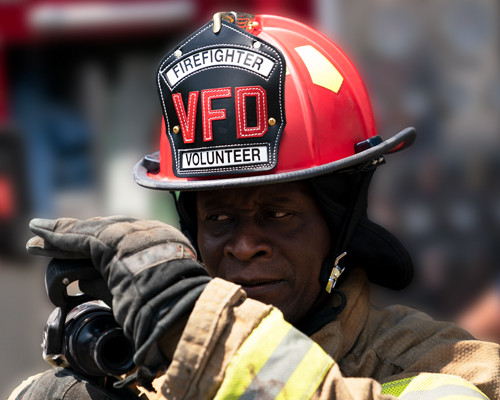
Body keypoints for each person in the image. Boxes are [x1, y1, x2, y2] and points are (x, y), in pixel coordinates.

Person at [9, 12, 500, 400]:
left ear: (339, 221)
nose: (244, 247)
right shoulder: (145, 370)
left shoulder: (443, 365)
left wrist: (190, 322)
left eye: (278, 213)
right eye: (219, 218)